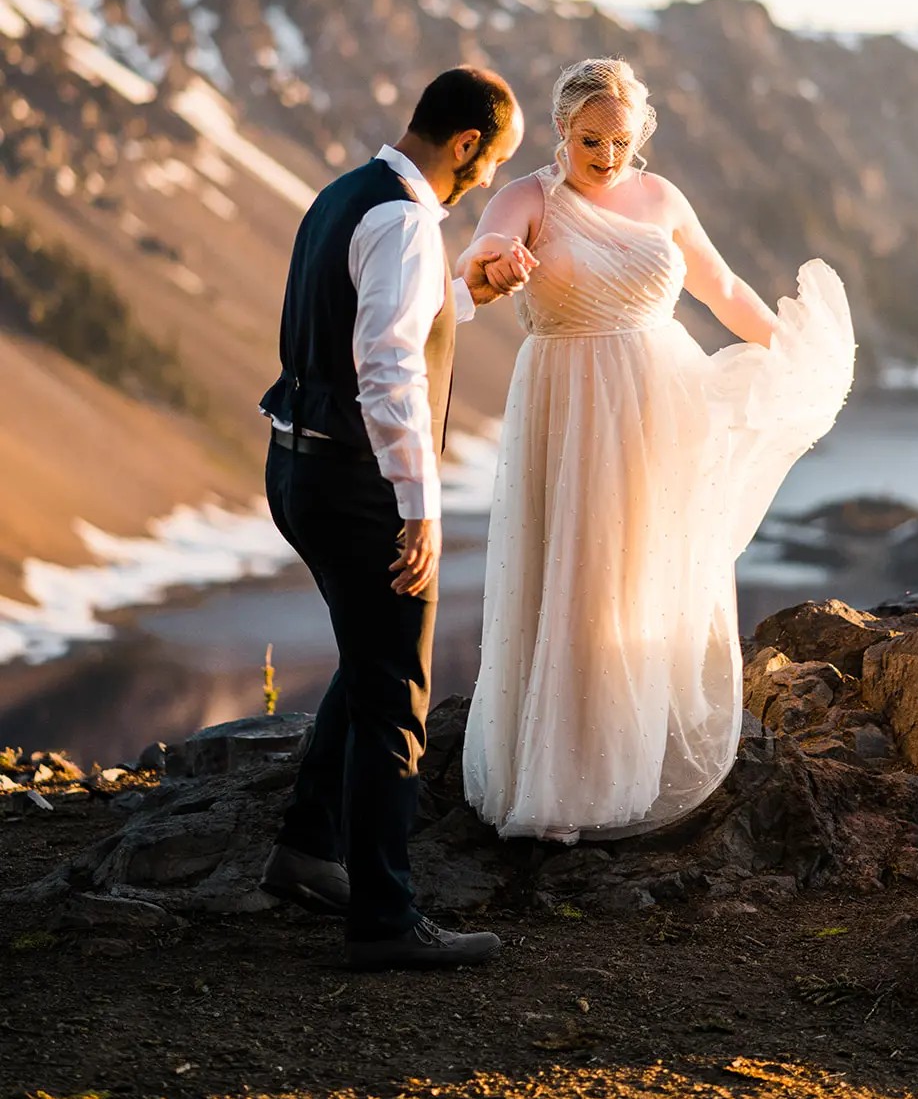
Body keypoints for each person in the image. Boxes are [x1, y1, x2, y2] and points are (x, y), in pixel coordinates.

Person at [460, 57, 855, 842]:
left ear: (639, 132)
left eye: (619, 140)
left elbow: (723, 290)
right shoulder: (527, 196)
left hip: (659, 404)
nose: (605, 157)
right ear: (560, 130)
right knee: (574, 570)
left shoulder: (662, 196)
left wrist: (790, 347)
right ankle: (559, 781)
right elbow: (480, 260)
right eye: (588, 140)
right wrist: (497, 265)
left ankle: (624, 760)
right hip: (567, 403)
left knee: (640, 571)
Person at [258, 66, 535, 969]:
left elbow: (370, 325)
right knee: (397, 702)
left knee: (370, 660)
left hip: (297, 467)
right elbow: (386, 371)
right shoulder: (409, 221)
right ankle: (384, 917)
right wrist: (417, 511)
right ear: (465, 146)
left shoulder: (346, 194)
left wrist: (469, 296)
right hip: (358, 485)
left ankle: (306, 850)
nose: (490, 179)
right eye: (494, 161)